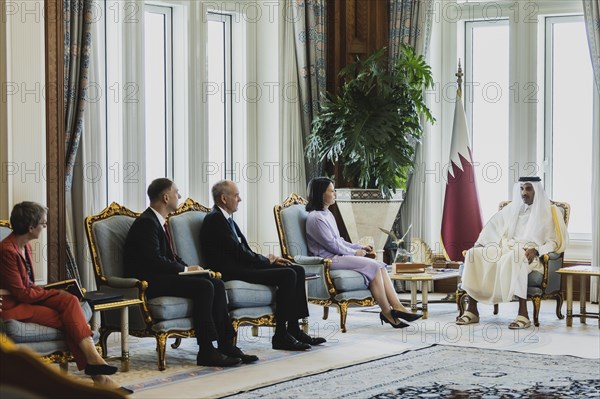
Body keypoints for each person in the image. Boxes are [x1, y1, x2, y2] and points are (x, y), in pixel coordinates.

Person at [123, 178, 257, 366]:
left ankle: (226, 344)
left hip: (163, 277)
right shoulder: (146, 223)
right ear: (165, 197)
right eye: (176, 192)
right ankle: (206, 351)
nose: (179, 196)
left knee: (215, 282)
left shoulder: (158, 221)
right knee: (203, 287)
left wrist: (193, 269)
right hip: (149, 283)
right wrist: (185, 270)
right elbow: (154, 261)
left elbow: (172, 257)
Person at [0, 202, 128, 393]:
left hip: (26, 297)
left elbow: (27, 287)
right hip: (14, 306)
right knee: (67, 315)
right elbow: (21, 293)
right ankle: (98, 372)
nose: (45, 227)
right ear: (30, 227)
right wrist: (53, 292)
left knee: (70, 301)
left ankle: (96, 366)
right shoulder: (6, 251)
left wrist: (55, 292)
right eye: (43, 223)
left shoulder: (24, 246)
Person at [200, 180, 326, 351]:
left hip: (243, 266)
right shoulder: (215, 219)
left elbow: (243, 250)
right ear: (223, 198)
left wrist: (267, 259)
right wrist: (267, 261)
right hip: (231, 271)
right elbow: (238, 252)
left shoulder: (226, 218)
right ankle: (280, 335)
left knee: (296, 269)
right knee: (288, 274)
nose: (240, 199)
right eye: (236, 195)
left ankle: (294, 330)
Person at [304, 177, 422, 329]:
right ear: (321, 194)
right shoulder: (315, 218)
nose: (335, 194)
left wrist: (358, 247)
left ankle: (397, 308)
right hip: (328, 260)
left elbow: (339, 240)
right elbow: (332, 245)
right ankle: (387, 312)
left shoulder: (327, 214)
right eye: (332, 191)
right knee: (373, 265)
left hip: (338, 256)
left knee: (379, 265)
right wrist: (355, 253)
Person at [457, 176, 569, 329]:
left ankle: (523, 315)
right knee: (473, 254)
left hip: (530, 255)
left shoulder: (549, 212)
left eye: (528, 189)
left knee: (517, 256)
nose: (524, 193)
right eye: (522, 189)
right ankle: (472, 310)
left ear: (536, 190)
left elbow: (553, 242)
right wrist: (480, 244)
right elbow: (494, 227)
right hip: (505, 249)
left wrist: (537, 250)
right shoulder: (512, 208)